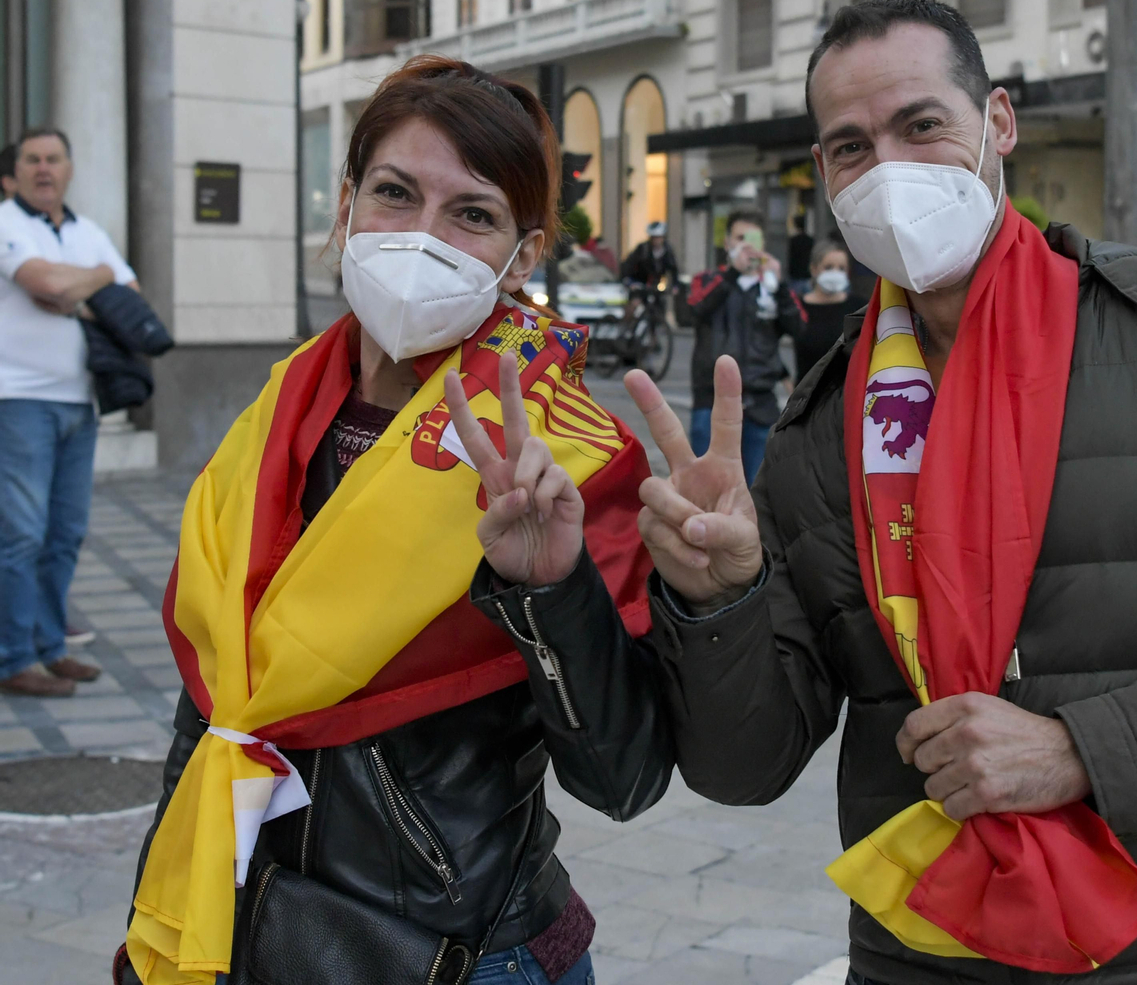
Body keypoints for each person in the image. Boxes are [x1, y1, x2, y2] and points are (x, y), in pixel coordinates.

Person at [622, 0, 1137, 985]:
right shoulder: (823, 421)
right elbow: (743, 765)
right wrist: (721, 599)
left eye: (921, 124)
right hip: (921, 953)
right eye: (848, 147)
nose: (888, 168)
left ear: (997, 122)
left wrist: (1083, 748)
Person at [116, 57, 673, 985]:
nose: (422, 236)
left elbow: (624, 776)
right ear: (346, 208)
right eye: (394, 193)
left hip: (461, 953)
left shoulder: (572, 455)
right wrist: (156, 918)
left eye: (472, 214)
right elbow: (212, 709)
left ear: (523, 254)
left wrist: (548, 591)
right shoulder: (278, 411)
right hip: (238, 926)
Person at [0, 126, 138, 697]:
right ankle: (13, 658)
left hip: (80, 402)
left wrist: (83, 284)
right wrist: (92, 283)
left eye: (54, 158)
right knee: (22, 536)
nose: (43, 168)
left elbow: (129, 289)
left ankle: (51, 647)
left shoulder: (89, 232)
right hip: (20, 401)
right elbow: (40, 280)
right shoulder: (6, 222)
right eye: (32, 159)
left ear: (69, 168)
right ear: (17, 171)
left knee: (65, 534)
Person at [684, 211, 805, 482]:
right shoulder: (707, 280)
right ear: (727, 243)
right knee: (707, 483)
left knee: (757, 488)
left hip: (760, 402)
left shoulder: (771, 287)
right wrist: (731, 275)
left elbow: (799, 327)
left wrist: (780, 286)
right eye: (740, 238)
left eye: (753, 239)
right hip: (711, 400)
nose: (747, 246)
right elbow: (695, 309)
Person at [793, 238, 866, 380]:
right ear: (814, 269)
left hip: (846, 393)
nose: (835, 273)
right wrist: (784, 378)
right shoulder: (797, 306)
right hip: (807, 393)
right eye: (828, 267)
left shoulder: (859, 307)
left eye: (841, 268)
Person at [619, 219, 679, 297]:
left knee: (660, 302)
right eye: (654, 237)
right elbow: (629, 263)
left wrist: (675, 285)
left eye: (659, 237)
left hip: (656, 284)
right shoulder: (643, 249)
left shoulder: (667, 250)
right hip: (640, 281)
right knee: (636, 300)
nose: (657, 240)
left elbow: (673, 268)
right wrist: (628, 280)